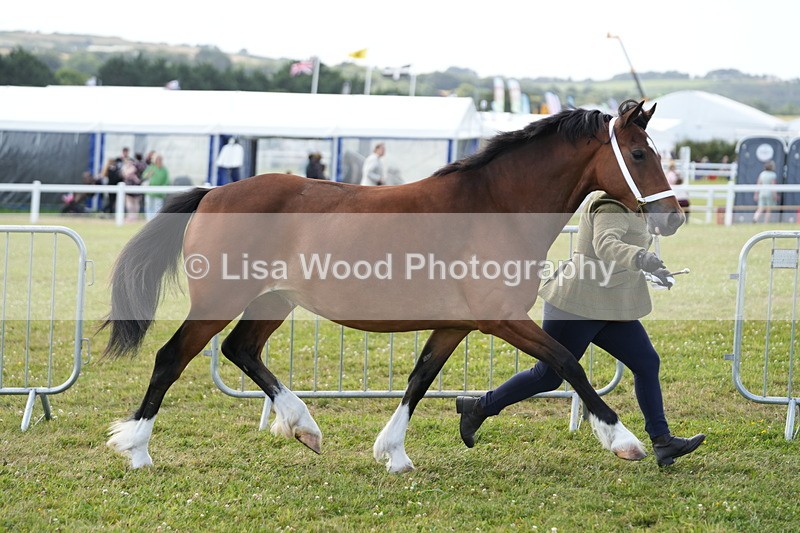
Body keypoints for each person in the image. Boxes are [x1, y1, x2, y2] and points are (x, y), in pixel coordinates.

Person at [456, 191, 705, 467]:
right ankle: (478, 408)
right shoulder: (610, 206)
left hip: (610, 305)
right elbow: (605, 244)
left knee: (646, 362)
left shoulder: (637, 207)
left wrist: (655, 270)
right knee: (548, 376)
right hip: (575, 305)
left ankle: (662, 441)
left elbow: (628, 252)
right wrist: (641, 258)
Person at [143, 154, 169, 221]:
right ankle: (148, 220)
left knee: (158, 207)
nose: (159, 161)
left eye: (160, 159)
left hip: (159, 192)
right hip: (150, 191)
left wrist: (163, 187)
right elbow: (144, 176)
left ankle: (156, 221)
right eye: (157, 159)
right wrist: (148, 174)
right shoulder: (151, 167)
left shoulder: (164, 169)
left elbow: (167, 180)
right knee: (149, 206)